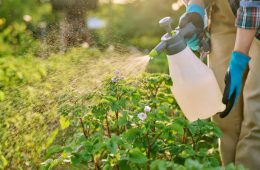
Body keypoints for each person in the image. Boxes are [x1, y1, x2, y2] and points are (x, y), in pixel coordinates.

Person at [179, 0, 260, 169]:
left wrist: (238, 61)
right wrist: (195, 8)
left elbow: (251, 6)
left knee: (256, 114)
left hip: (254, 11)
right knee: (224, 113)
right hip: (222, 15)